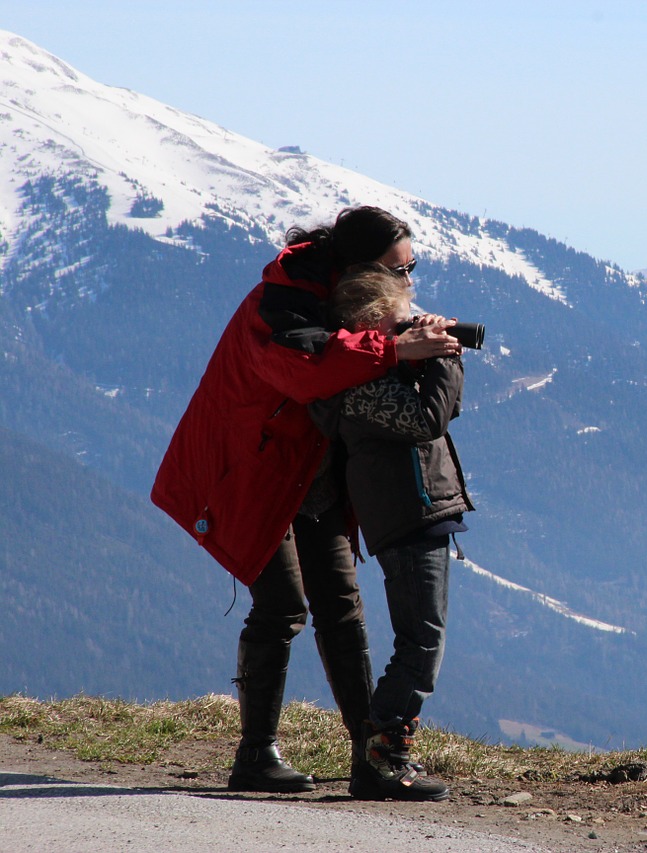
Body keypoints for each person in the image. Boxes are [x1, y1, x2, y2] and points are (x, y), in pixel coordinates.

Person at [151, 206, 461, 794]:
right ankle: (256, 753)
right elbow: (307, 367)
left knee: (342, 608)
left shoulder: (336, 297)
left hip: (309, 474)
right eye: (400, 268)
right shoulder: (281, 301)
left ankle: (368, 756)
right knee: (284, 604)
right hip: (251, 472)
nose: (407, 279)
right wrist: (398, 351)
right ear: (362, 266)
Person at [310, 263, 473, 801]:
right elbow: (428, 420)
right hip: (405, 515)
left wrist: (430, 357)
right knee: (421, 641)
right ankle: (380, 758)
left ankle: (383, 753)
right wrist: (444, 354)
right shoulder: (357, 386)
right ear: (371, 331)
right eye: (401, 326)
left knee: (424, 638)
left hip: (422, 511)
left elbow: (446, 407)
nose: (413, 332)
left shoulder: (386, 375)